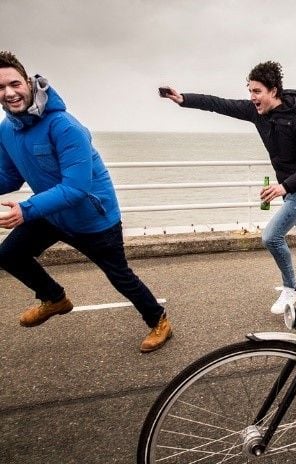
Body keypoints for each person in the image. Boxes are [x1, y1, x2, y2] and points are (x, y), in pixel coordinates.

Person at [0, 51, 171, 353]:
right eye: (0, 88)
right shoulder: (7, 129)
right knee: (9, 254)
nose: (9, 93)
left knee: (120, 277)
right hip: (52, 214)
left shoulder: (64, 126)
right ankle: (54, 298)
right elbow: (10, 177)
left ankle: (159, 320)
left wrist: (25, 210)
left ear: (28, 82)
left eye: (14, 83)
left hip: (93, 219)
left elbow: (77, 187)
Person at [160, 61, 296, 314]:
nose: (252, 97)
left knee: (271, 236)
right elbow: (219, 104)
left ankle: (291, 288)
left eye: (257, 91)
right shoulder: (255, 112)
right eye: (250, 91)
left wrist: (284, 187)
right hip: (290, 189)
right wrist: (184, 99)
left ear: (273, 91)